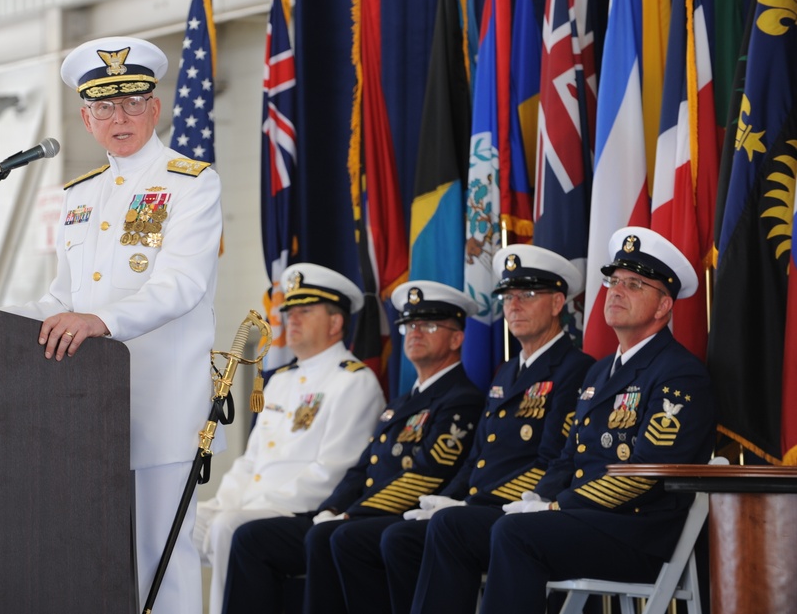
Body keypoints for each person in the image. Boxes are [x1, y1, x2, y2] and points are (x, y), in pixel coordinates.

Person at [2, 37, 222, 614]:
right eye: (103, 106)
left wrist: (101, 319)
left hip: (162, 408)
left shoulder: (191, 182)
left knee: (160, 562)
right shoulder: (79, 196)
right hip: (83, 411)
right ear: (85, 117)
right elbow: (61, 301)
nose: (118, 117)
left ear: (155, 107)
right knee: (89, 558)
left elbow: (180, 285)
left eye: (131, 102)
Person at [419, 227, 716, 613]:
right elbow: (567, 456)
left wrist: (559, 506)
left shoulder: (679, 374)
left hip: (636, 532)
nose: (616, 291)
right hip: (586, 518)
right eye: (613, 281)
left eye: (635, 284)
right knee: (450, 526)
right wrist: (540, 496)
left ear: (663, 307)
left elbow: (644, 474)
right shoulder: (601, 372)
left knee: (516, 533)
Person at [331, 245, 595, 613]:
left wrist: (471, 502)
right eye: (507, 296)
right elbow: (477, 458)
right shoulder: (506, 372)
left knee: (439, 527)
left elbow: (552, 462)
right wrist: (454, 496)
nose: (514, 305)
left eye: (528, 295)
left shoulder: (575, 369)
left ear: (557, 304)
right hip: (486, 507)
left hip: (525, 508)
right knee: (390, 538)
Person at [221, 280, 487, 614]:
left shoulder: (461, 399)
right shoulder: (402, 403)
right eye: (409, 324)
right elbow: (362, 467)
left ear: (457, 338)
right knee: (254, 537)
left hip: (401, 514)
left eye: (429, 325)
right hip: (366, 512)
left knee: (337, 536)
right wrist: (330, 509)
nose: (415, 332)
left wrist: (353, 512)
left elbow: (428, 475)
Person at [193, 263, 385, 613]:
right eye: (290, 311)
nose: (292, 320)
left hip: (300, 511)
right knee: (178, 526)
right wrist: (226, 500)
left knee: (226, 528)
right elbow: (250, 460)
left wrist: (243, 507)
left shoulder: (354, 382)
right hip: (252, 503)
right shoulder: (279, 379)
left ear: (335, 322)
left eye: (305, 311)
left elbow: (331, 472)